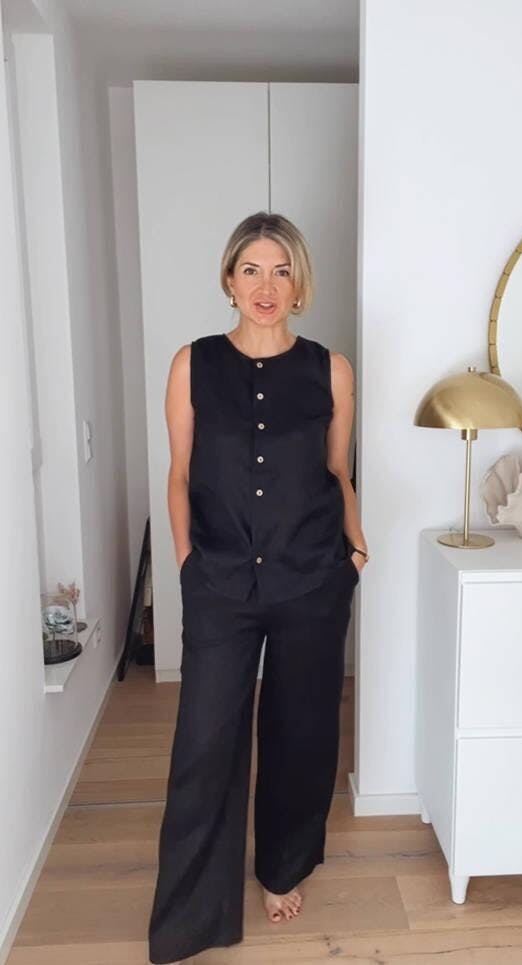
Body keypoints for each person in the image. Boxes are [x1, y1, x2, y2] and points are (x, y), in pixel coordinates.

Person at [147, 211, 369, 963]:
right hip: (219, 580)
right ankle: (192, 914)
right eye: (251, 270)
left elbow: (336, 471)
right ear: (229, 279)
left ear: (299, 282)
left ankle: (280, 869)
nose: (266, 286)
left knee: (301, 732)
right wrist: (186, 561)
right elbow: (179, 475)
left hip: (312, 577)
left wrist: (356, 549)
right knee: (205, 741)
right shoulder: (193, 364)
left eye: (281, 271)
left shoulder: (331, 370)